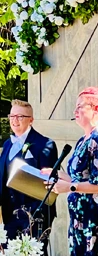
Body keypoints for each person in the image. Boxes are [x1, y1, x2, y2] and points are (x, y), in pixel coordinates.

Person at [42, 86, 98, 256]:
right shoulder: (85, 139)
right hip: (82, 219)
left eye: (80, 106)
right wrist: (59, 175)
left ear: (96, 109)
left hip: (97, 217)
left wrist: (69, 187)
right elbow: (80, 178)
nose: (75, 110)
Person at [0, 99, 58, 256]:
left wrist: (36, 215)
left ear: (31, 120)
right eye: (12, 116)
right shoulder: (7, 144)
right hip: (9, 214)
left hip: (34, 215)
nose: (15, 120)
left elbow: (50, 183)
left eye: (20, 116)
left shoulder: (45, 144)